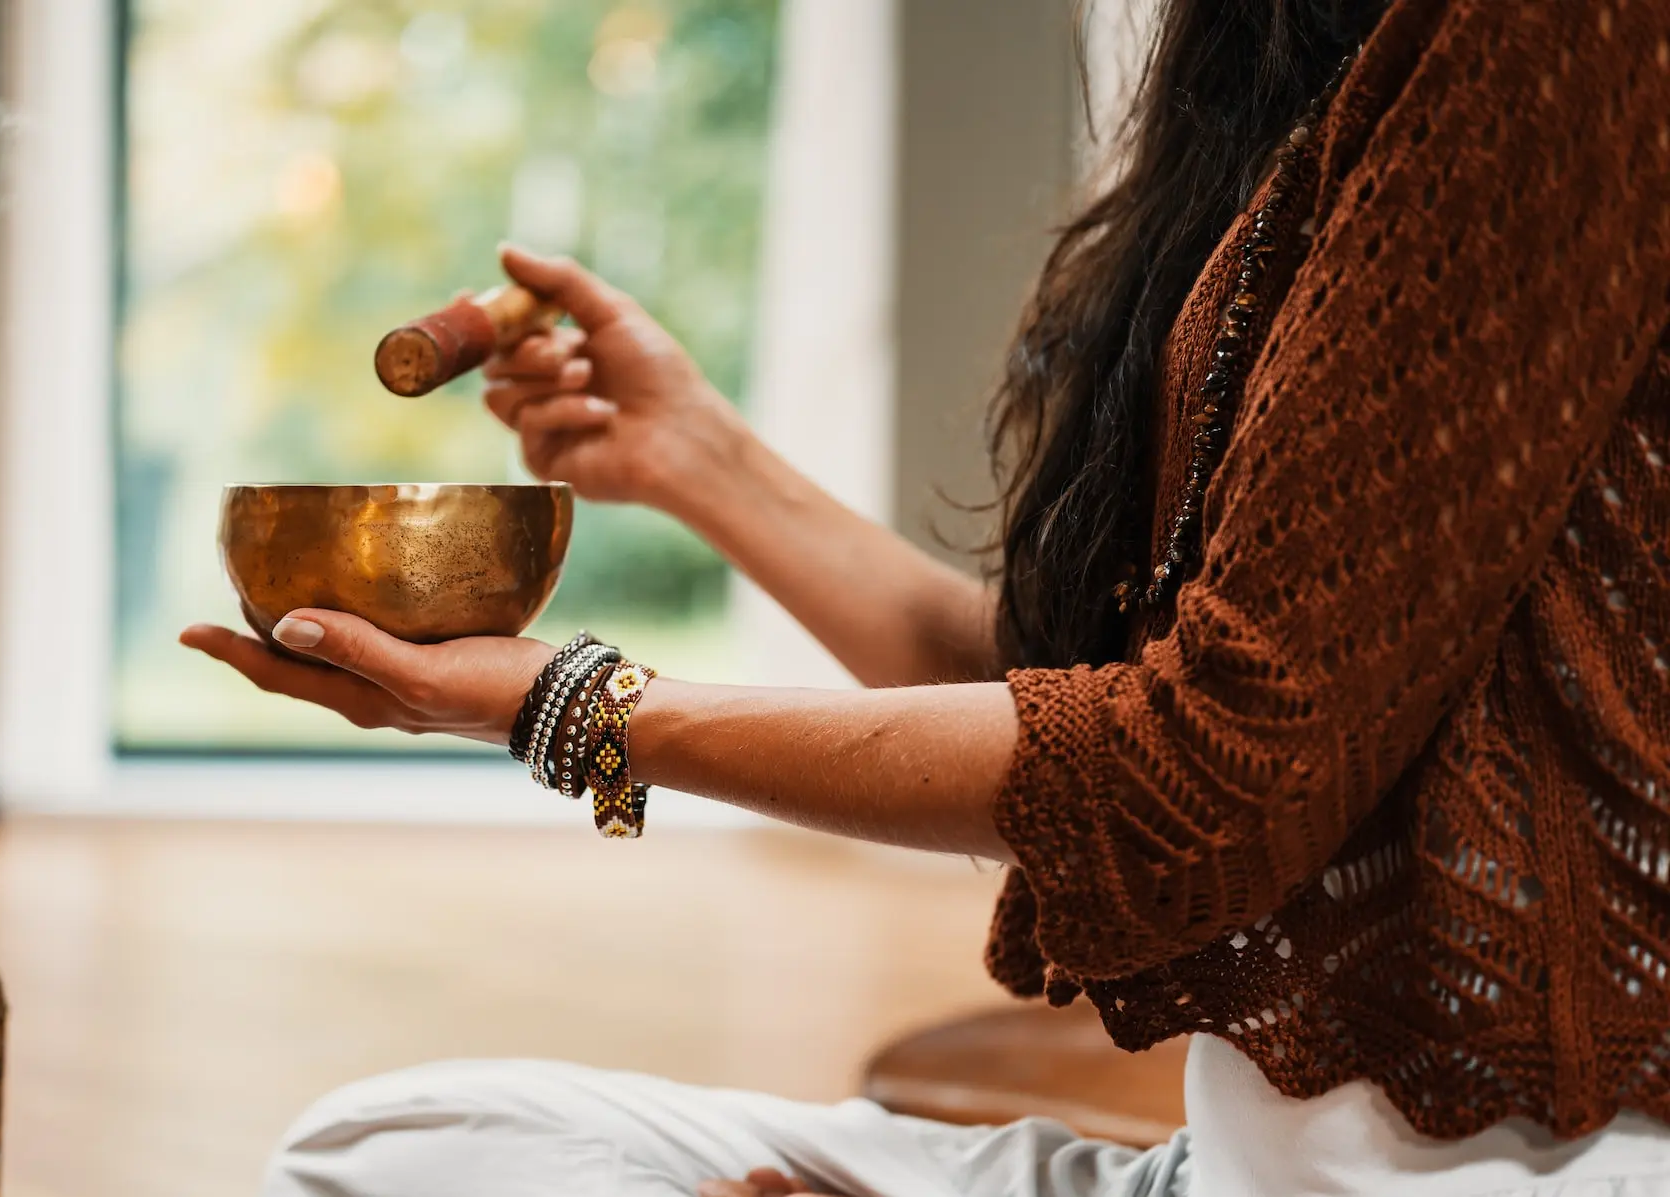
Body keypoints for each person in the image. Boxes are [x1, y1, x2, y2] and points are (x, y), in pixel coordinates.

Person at [180, 0, 1670, 1192]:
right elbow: (1063, 695)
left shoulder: (1564, 33)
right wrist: (702, 462)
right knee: (397, 1145)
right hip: (1210, 1174)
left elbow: (1196, 774)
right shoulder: (1303, 61)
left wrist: (578, 706)